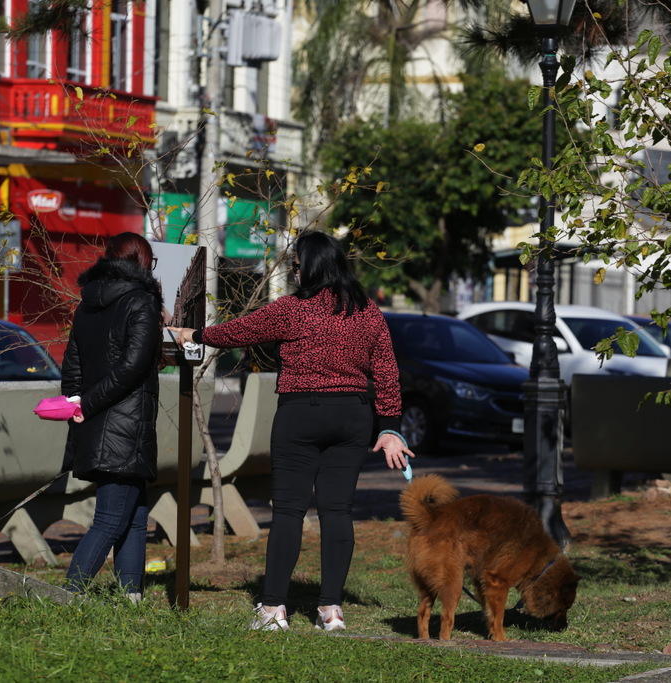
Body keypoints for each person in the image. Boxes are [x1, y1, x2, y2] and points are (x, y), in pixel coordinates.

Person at [168, 230, 413, 631]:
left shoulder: (293, 309)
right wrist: (389, 429)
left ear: (311, 267)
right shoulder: (367, 311)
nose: (294, 271)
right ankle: (331, 610)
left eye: (296, 265)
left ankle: (273, 610)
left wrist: (193, 335)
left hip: (301, 415)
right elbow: (387, 372)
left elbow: (238, 331)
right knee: (337, 511)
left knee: (288, 512)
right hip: (353, 417)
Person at [61, 232, 162, 602]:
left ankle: (130, 596)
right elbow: (133, 366)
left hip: (97, 422)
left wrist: (77, 404)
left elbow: (72, 364)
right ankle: (68, 595)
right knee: (109, 520)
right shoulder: (141, 301)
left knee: (135, 515)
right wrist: (87, 404)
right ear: (141, 262)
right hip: (126, 424)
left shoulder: (87, 303)